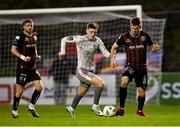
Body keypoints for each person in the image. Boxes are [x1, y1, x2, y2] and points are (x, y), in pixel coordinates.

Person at [110, 17, 160, 117]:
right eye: (132, 28)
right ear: (130, 26)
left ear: (139, 27)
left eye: (136, 28)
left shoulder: (145, 36)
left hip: (142, 68)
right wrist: (112, 59)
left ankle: (140, 111)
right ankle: (121, 109)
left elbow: (152, 47)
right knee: (124, 81)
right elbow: (114, 47)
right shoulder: (124, 37)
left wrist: (155, 48)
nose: (134, 30)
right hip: (130, 66)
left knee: (141, 92)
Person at [59, 22, 110, 117]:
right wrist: (62, 51)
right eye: (91, 32)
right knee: (100, 83)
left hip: (89, 71)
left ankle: (71, 108)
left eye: (95, 32)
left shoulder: (98, 40)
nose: (93, 34)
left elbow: (106, 53)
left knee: (81, 92)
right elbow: (64, 39)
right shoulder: (79, 38)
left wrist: (112, 56)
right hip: (81, 71)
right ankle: (95, 106)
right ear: (86, 31)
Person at [11, 19, 43, 118]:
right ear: (24, 27)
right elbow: (13, 49)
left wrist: (36, 55)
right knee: (20, 90)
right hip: (22, 67)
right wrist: (23, 57)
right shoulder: (19, 37)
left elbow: (34, 47)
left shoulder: (34, 36)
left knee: (39, 86)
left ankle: (31, 106)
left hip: (32, 67)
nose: (30, 27)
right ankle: (14, 110)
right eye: (28, 25)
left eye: (31, 25)